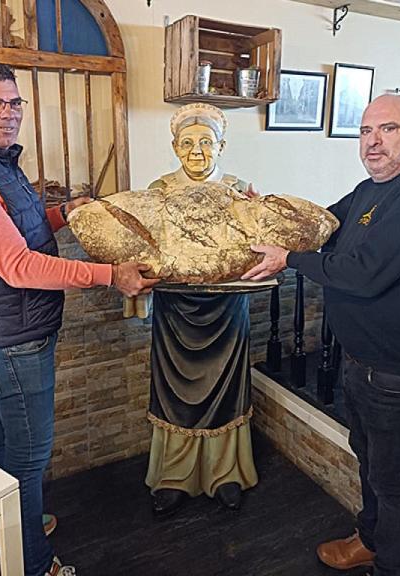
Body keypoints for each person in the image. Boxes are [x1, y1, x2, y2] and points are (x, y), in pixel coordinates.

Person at [0, 58, 158, 576]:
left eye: (14, 102)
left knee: (3, 439)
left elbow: (17, 228)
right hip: (10, 342)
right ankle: (36, 566)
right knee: (29, 458)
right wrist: (112, 274)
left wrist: (65, 212)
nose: (7, 113)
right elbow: (17, 265)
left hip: (15, 336)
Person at [244, 94, 400, 576]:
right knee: (370, 464)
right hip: (361, 363)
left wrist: (287, 260)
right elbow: (321, 224)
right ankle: (371, 539)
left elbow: (363, 274)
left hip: (398, 373)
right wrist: (264, 211)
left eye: (388, 130)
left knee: (393, 481)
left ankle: (393, 567)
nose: (373, 142)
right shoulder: (369, 188)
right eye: (365, 131)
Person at [143, 103, 259, 517]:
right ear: (175, 147)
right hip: (176, 311)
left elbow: (253, 246)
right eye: (188, 143)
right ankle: (174, 476)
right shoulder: (158, 191)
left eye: (206, 142)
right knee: (176, 393)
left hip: (227, 309)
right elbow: (150, 248)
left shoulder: (240, 191)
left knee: (226, 391)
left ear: (221, 146)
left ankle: (225, 471)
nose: (197, 152)